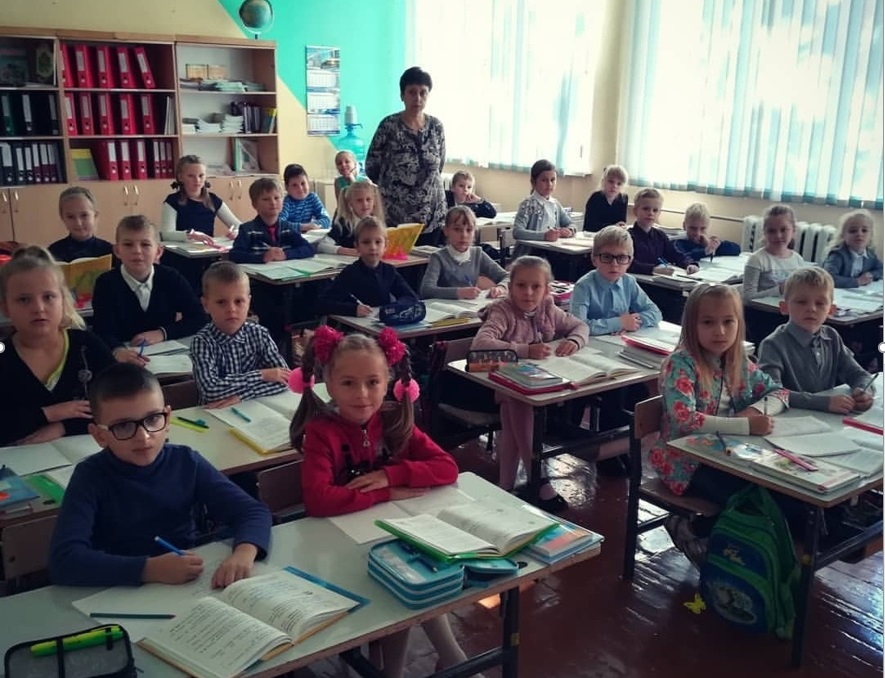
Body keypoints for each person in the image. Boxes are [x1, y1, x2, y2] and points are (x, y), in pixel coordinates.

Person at [288, 326, 472, 678]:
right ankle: (448, 659)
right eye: (348, 383)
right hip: (340, 546)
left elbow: (447, 468)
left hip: (391, 534)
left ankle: (423, 664)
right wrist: (384, 493)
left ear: (388, 382)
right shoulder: (321, 431)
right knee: (402, 582)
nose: (362, 394)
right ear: (329, 385)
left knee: (414, 579)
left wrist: (392, 475)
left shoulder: (393, 420)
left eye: (373, 382)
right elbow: (318, 500)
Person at [49, 363, 271, 587]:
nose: (144, 437)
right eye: (123, 426)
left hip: (187, 582)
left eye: (153, 419)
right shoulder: (90, 477)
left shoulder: (186, 461)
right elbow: (64, 561)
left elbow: (252, 511)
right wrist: (149, 569)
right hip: (118, 590)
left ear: (167, 418)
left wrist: (244, 553)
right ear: (99, 435)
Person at [649, 284, 787, 564]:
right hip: (684, 462)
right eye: (708, 322)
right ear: (691, 325)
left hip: (728, 453)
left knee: (774, 494)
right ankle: (691, 529)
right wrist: (745, 425)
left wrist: (753, 410)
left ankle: (735, 549)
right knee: (746, 501)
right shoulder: (681, 364)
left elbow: (779, 393)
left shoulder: (737, 361)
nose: (720, 331)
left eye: (728, 322)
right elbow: (685, 420)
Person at [471, 256, 589, 511]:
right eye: (521, 285)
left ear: (546, 289)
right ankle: (539, 478)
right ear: (510, 287)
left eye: (536, 286)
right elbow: (480, 345)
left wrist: (575, 341)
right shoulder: (503, 310)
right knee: (517, 400)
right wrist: (525, 350)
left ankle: (506, 485)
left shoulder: (548, 307)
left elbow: (580, 326)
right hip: (487, 386)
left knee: (514, 405)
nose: (528, 292)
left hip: (524, 386)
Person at [0, 246, 114, 446]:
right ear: (6, 308)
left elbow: (122, 403)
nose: (38, 308)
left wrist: (64, 427)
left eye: (48, 297)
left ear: (62, 300)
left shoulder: (87, 345)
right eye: (24, 300)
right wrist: (50, 413)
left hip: (86, 453)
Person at [758, 267, 874, 414]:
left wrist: (864, 391)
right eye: (801, 302)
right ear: (784, 307)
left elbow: (858, 374)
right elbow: (772, 392)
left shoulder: (831, 337)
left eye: (820, 303)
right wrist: (823, 403)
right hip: (789, 418)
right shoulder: (773, 344)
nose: (811, 309)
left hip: (826, 418)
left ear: (831, 310)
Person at [92, 216, 206, 364]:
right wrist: (117, 351)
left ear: (158, 251)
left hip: (164, 355)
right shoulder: (106, 283)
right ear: (117, 251)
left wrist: (162, 333)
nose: (137, 251)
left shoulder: (171, 277)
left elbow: (198, 317)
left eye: (145, 244)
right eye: (128, 244)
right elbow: (102, 331)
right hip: (123, 360)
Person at [190, 261, 290, 407]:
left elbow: (285, 379)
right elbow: (210, 390)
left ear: (248, 302)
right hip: (216, 412)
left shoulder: (259, 334)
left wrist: (243, 396)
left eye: (238, 301)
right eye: (221, 302)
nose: (231, 309)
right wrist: (262, 375)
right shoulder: (202, 342)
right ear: (206, 305)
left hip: (253, 408)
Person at [365, 66, 447, 246]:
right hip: (397, 215)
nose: (417, 98)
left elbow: (439, 165)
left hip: (432, 215)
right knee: (398, 261)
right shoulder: (389, 126)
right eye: (412, 92)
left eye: (423, 93)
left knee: (430, 261)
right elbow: (372, 166)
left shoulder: (436, 127)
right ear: (402, 95)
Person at [317, 217, 418, 317]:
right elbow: (323, 303)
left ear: (386, 245)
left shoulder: (389, 270)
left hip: (381, 321)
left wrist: (394, 307)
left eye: (378, 242)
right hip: (355, 324)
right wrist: (353, 309)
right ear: (357, 246)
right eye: (366, 242)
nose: (373, 247)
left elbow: (410, 297)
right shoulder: (350, 273)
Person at [571, 225, 662, 336]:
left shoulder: (629, 282)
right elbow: (578, 326)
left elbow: (655, 313)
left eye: (622, 257)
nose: (614, 264)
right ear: (594, 259)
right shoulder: (583, 286)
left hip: (621, 340)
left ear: (629, 262)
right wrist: (619, 323)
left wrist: (632, 322)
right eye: (607, 257)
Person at [419, 206, 508, 299]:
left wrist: (500, 288)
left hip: (468, 305)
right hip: (443, 306)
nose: (464, 235)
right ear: (446, 231)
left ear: (475, 232)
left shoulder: (477, 254)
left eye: (469, 230)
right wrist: (458, 292)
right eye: (457, 229)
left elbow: (507, 276)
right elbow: (426, 290)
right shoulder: (438, 257)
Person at [229, 177, 314, 264]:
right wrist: (263, 257)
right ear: (254, 204)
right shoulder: (247, 230)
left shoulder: (288, 228)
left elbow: (308, 249)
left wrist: (286, 255)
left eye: (276, 198)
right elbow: (235, 255)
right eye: (266, 199)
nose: (273, 203)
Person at [161, 155, 240, 244]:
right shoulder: (172, 201)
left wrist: (236, 232)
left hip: (207, 249)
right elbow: (166, 234)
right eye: (191, 176)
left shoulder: (213, 200)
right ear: (180, 177)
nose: (197, 180)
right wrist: (191, 235)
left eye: (201, 175)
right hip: (182, 250)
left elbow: (238, 225)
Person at [626, 188, 698, 275]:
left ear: (659, 213)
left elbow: (675, 254)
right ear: (635, 211)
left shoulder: (660, 236)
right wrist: (653, 269)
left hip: (657, 279)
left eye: (655, 210)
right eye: (645, 209)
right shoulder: (627, 237)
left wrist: (690, 263)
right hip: (637, 279)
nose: (651, 213)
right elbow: (627, 263)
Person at [741, 204, 806, 300]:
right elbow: (748, 298)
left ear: (793, 231)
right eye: (772, 231)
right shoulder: (757, 260)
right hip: (762, 309)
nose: (778, 235)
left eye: (784, 230)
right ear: (764, 232)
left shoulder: (798, 260)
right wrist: (779, 290)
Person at [512, 159, 575, 258]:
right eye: (544, 180)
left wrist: (569, 230)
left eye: (552, 180)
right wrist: (544, 236)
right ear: (533, 182)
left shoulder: (555, 204)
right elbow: (517, 232)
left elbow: (570, 223)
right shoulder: (528, 204)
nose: (549, 184)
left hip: (551, 252)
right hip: (529, 256)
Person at [316, 181, 384, 257]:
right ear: (351, 204)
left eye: (368, 199)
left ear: (374, 201)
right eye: (359, 200)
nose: (365, 204)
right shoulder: (343, 223)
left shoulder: (377, 222)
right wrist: (348, 251)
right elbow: (322, 246)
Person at [47, 186, 114, 263]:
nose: (78, 223)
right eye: (70, 217)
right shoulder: (51, 254)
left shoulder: (110, 251)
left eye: (84, 215)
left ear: (95, 215)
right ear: (63, 218)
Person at [823, 209, 883, 288]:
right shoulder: (838, 254)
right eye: (853, 231)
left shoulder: (870, 255)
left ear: (871, 235)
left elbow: (881, 269)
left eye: (864, 230)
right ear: (843, 236)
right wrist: (857, 281)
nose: (859, 234)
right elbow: (828, 278)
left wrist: (871, 275)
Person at [673, 202, 741, 261]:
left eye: (702, 228)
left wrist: (713, 245)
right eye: (693, 228)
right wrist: (705, 251)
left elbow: (737, 249)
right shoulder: (678, 243)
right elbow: (681, 257)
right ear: (684, 226)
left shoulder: (708, 242)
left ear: (708, 227)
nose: (698, 233)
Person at [279, 163, 331, 233]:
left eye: (303, 183)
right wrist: (302, 227)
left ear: (308, 183)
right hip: (291, 236)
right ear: (286, 188)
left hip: (309, 235)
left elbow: (326, 219)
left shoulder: (312, 198)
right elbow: (279, 224)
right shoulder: (286, 202)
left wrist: (314, 225)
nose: (300, 188)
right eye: (294, 185)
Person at [582, 164, 629, 233]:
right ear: (603, 181)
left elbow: (622, 221)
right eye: (611, 182)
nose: (615, 186)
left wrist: (622, 226)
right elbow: (590, 226)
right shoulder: (595, 198)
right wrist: (613, 227)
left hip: (614, 235)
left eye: (619, 184)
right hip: (594, 235)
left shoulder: (623, 198)